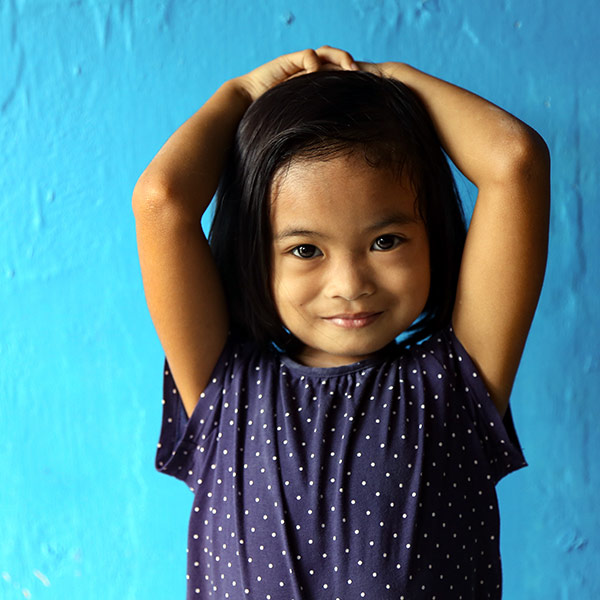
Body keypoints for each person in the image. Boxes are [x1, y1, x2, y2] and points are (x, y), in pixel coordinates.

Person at [133, 46, 549, 599]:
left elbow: (515, 161)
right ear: (255, 254)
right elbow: (161, 201)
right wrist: (238, 94)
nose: (350, 284)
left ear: (434, 238)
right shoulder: (224, 387)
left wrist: (391, 81)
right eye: (305, 250)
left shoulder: (455, 385)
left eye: (385, 241)